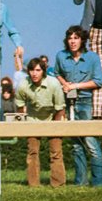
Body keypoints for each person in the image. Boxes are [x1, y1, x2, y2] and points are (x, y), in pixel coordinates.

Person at [55, 25, 102, 187]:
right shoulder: (61, 56)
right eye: (70, 38)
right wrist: (64, 84)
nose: (73, 41)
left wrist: (75, 86)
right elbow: (57, 73)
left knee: (90, 142)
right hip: (68, 103)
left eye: (76, 38)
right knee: (76, 145)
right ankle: (80, 182)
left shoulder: (92, 57)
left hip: (85, 102)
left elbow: (98, 81)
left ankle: (99, 182)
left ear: (82, 40)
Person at [15, 57, 66, 187]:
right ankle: (33, 185)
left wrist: (55, 128)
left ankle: (58, 184)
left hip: (53, 117)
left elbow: (60, 108)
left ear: (43, 71)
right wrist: (24, 124)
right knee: (32, 152)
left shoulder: (54, 83)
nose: (34, 73)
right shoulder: (23, 85)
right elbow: (20, 106)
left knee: (56, 152)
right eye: (31, 70)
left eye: (38, 70)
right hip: (32, 119)